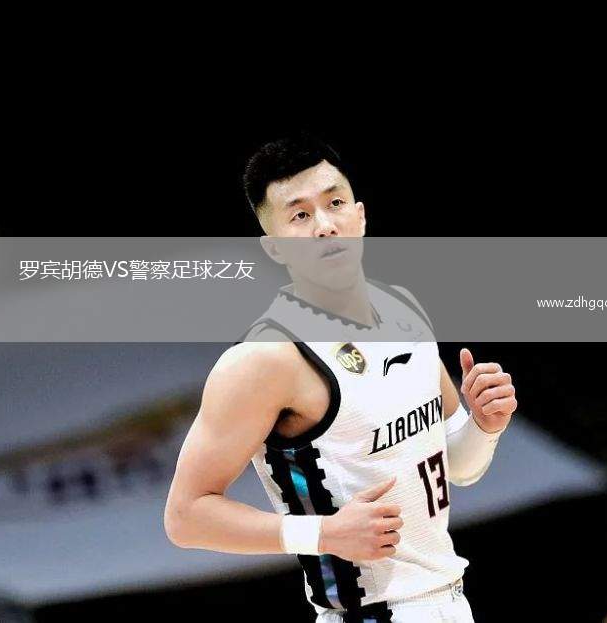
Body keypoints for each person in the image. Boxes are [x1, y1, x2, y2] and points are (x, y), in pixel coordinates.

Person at [163, 133, 518, 622]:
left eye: (335, 203)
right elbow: (185, 517)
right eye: (300, 216)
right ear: (274, 247)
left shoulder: (403, 306)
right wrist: (323, 534)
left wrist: (484, 424)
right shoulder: (266, 358)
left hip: (451, 601)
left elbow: (458, 467)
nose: (325, 226)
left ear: (361, 215)